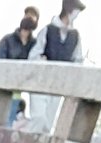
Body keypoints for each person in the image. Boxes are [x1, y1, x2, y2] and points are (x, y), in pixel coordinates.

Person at [26, 0, 85, 132]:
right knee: (38, 119)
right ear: (69, 10)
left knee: (47, 124)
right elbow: (33, 56)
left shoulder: (75, 36)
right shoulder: (48, 30)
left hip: (59, 85)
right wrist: (44, 63)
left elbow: (78, 61)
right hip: (41, 82)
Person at [0, 16, 39, 125]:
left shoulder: (33, 44)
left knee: (12, 114)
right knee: (1, 116)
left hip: (19, 85)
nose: (26, 33)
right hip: (4, 83)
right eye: (25, 30)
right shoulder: (8, 40)